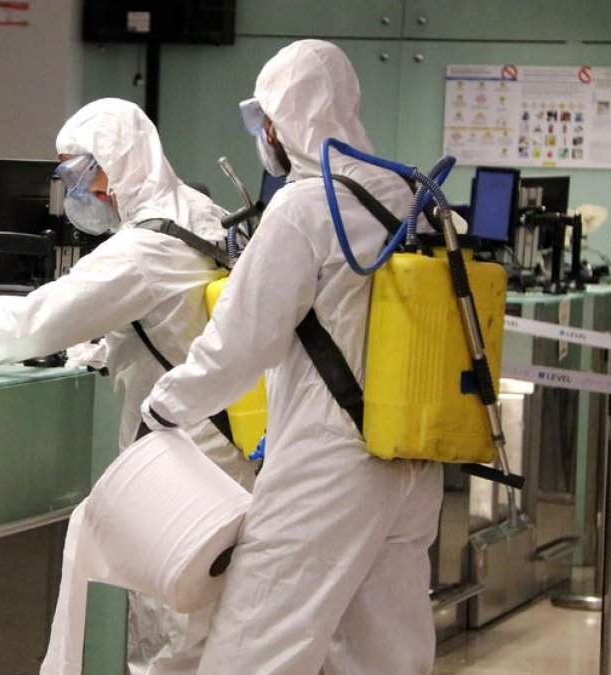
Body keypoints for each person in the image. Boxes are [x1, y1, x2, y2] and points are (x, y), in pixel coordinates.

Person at [0, 97, 257, 673]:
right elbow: (176, 320)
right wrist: (98, 345)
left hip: (185, 459)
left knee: (171, 628)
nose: (73, 189)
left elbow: (38, 319)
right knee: (209, 620)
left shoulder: (142, 249)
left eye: (78, 172)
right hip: (226, 445)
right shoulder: (200, 213)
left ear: (115, 167)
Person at [141, 40, 443, 674]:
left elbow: (239, 343)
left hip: (331, 460)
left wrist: (164, 410)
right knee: (382, 653)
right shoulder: (412, 197)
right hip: (415, 454)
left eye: (263, 123)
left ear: (278, 123)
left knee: (253, 649)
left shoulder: (306, 206)